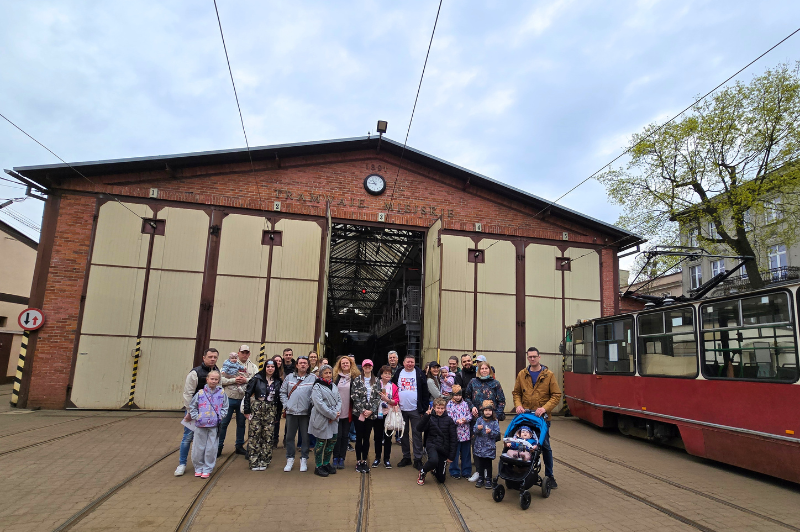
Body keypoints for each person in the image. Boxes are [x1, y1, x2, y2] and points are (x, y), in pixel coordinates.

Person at [512, 346, 562, 488]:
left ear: (539, 357)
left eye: (535, 356)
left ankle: (550, 476)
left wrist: (544, 408)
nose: (532, 359)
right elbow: (516, 393)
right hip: (526, 417)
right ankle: (522, 471)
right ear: (528, 358)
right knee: (524, 443)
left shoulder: (549, 375)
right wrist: (518, 405)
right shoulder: (522, 374)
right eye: (530, 357)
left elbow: (556, 395)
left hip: (542, 418)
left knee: (544, 446)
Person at [175, 348, 219, 476]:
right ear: (203, 358)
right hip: (195, 412)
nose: (212, 359)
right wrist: (190, 411)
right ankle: (182, 464)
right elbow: (188, 394)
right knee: (188, 437)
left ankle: (204, 465)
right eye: (210, 357)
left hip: (210, 414)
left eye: (215, 357)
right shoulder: (195, 373)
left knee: (208, 440)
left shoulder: (217, 372)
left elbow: (219, 392)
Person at [188, 370, 229, 479]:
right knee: (198, 447)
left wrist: (220, 416)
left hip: (214, 425)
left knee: (211, 448)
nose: (214, 381)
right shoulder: (200, 393)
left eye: (216, 379)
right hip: (200, 424)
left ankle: (207, 468)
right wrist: (197, 416)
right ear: (207, 379)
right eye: (212, 379)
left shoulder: (222, 393)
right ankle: (198, 467)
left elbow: (225, 406)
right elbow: (193, 406)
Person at [391, 354, 430, 469]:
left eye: (412, 362)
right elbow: (393, 388)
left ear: (415, 363)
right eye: (408, 362)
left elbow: (425, 392)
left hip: (415, 410)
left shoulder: (419, 374)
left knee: (417, 434)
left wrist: (423, 408)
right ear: (403, 363)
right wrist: (394, 403)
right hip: (401, 409)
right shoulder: (398, 373)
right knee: (403, 434)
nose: (410, 364)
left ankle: (417, 458)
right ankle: (406, 457)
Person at [218, 345, 257, 456]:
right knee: (224, 423)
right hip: (229, 398)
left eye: (246, 352)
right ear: (238, 353)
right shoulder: (228, 364)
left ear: (249, 354)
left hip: (244, 400)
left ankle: (239, 446)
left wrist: (246, 380)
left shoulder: (253, 367)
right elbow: (220, 379)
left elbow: (256, 380)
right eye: (242, 352)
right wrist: (234, 380)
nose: (244, 354)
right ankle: (219, 446)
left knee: (241, 424)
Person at [243, 359, 282, 471]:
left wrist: (278, 415)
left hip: (271, 410)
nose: (270, 368)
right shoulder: (257, 378)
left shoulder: (278, 381)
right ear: (265, 367)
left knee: (268, 436)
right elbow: (247, 394)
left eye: (272, 367)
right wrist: (247, 410)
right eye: (268, 366)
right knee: (255, 435)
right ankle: (254, 461)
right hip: (257, 408)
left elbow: (279, 401)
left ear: (275, 368)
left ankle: (264, 460)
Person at [280, 355, 316, 472]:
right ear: (296, 365)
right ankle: (290, 459)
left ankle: (304, 459)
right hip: (291, 412)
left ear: (308, 365)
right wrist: (287, 405)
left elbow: (316, 394)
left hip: (306, 413)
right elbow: (282, 392)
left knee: (305, 438)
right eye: (300, 363)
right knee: (290, 437)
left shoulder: (313, 378)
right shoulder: (289, 377)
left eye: (305, 363)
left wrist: (311, 406)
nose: (303, 365)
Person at [309, 364, 341, 477]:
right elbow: (319, 404)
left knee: (331, 442)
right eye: (326, 373)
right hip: (322, 418)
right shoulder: (317, 386)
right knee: (321, 442)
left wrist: (336, 413)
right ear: (321, 374)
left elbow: (339, 401)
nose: (328, 375)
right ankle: (318, 465)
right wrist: (332, 415)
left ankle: (326, 462)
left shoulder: (334, 386)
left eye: (329, 373)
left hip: (333, 419)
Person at [416, 397, 457, 486]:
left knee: (441, 479)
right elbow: (419, 428)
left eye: (442, 408)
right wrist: (426, 416)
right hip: (432, 444)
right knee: (433, 460)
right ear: (434, 408)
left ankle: (434, 468)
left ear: (445, 408)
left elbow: (453, 438)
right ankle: (423, 471)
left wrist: (451, 455)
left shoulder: (449, 420)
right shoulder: (429, 418)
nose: (440, 410)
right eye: (438, 408)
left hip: (443, 447)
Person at [351, 359, 381, 473]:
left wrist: (371, 411)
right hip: (359, 414)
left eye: (369, 366)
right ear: (362, 367)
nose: (367, 367)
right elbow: (354, 396)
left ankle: (364, 460)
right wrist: (362, 410)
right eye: (365, 366)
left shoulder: (376, 381)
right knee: (359, 437)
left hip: (370, 415)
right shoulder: (357, 380)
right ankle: (358, 460)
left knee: (367, 438)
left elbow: (378, 397)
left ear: (372, 367)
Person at [331, 356, 360, 469]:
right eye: (342, 363)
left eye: (347, 363)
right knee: (336, 436)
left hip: (348, 411)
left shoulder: (355, 377)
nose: (345, 365)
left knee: (344, 436)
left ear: (351, 364)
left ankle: (342, 458)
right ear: (339, 365)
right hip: (336, 411)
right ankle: (335, 457)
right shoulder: (335, 377)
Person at [372, 365, 398, 469]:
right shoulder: (376, 384)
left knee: (388, 438)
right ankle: (377, 458)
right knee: (377, 437)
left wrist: (388, 400)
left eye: (389, 373)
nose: (387, 375)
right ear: (381, 375)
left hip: (388, 413)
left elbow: (396, 400)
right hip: (377, 414)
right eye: (385, 373)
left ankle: (386, 459)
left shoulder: (394, 386)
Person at [445, 385, 472, 479]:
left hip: (465, 433)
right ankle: (454, 471)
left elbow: (470, 415)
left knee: (466, 453)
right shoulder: (449, 405)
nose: (457, 397)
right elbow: (449, 417)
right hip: (455, 434)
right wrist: (457, 420)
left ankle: (466, 471)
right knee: (454, 454)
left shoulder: (465, 404)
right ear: (452, 395)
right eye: (455, 395)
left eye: (459, 395)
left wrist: (466, 419)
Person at [473, 399, 500, 489]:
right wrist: (478, 429)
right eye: (486, 410)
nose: (488, 412)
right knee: (480, 463)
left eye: (489, 410)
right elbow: (474, 431)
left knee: (488, 464)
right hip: (480, 446)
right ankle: (480, 478)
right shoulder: (479, 420)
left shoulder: (494, 421)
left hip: (489, 447)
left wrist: (491, 432)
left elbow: (497, 434)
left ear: (492, 411)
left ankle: (488, 479)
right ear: (482, 411)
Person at [271, 355, 284, 448]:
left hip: (278, 402)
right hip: (268, 402)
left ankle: (275, 439)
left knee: (276, 421)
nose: (278, 362)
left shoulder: (283, 374)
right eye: (276, 360)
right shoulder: (268, 372)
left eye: (280, 361)